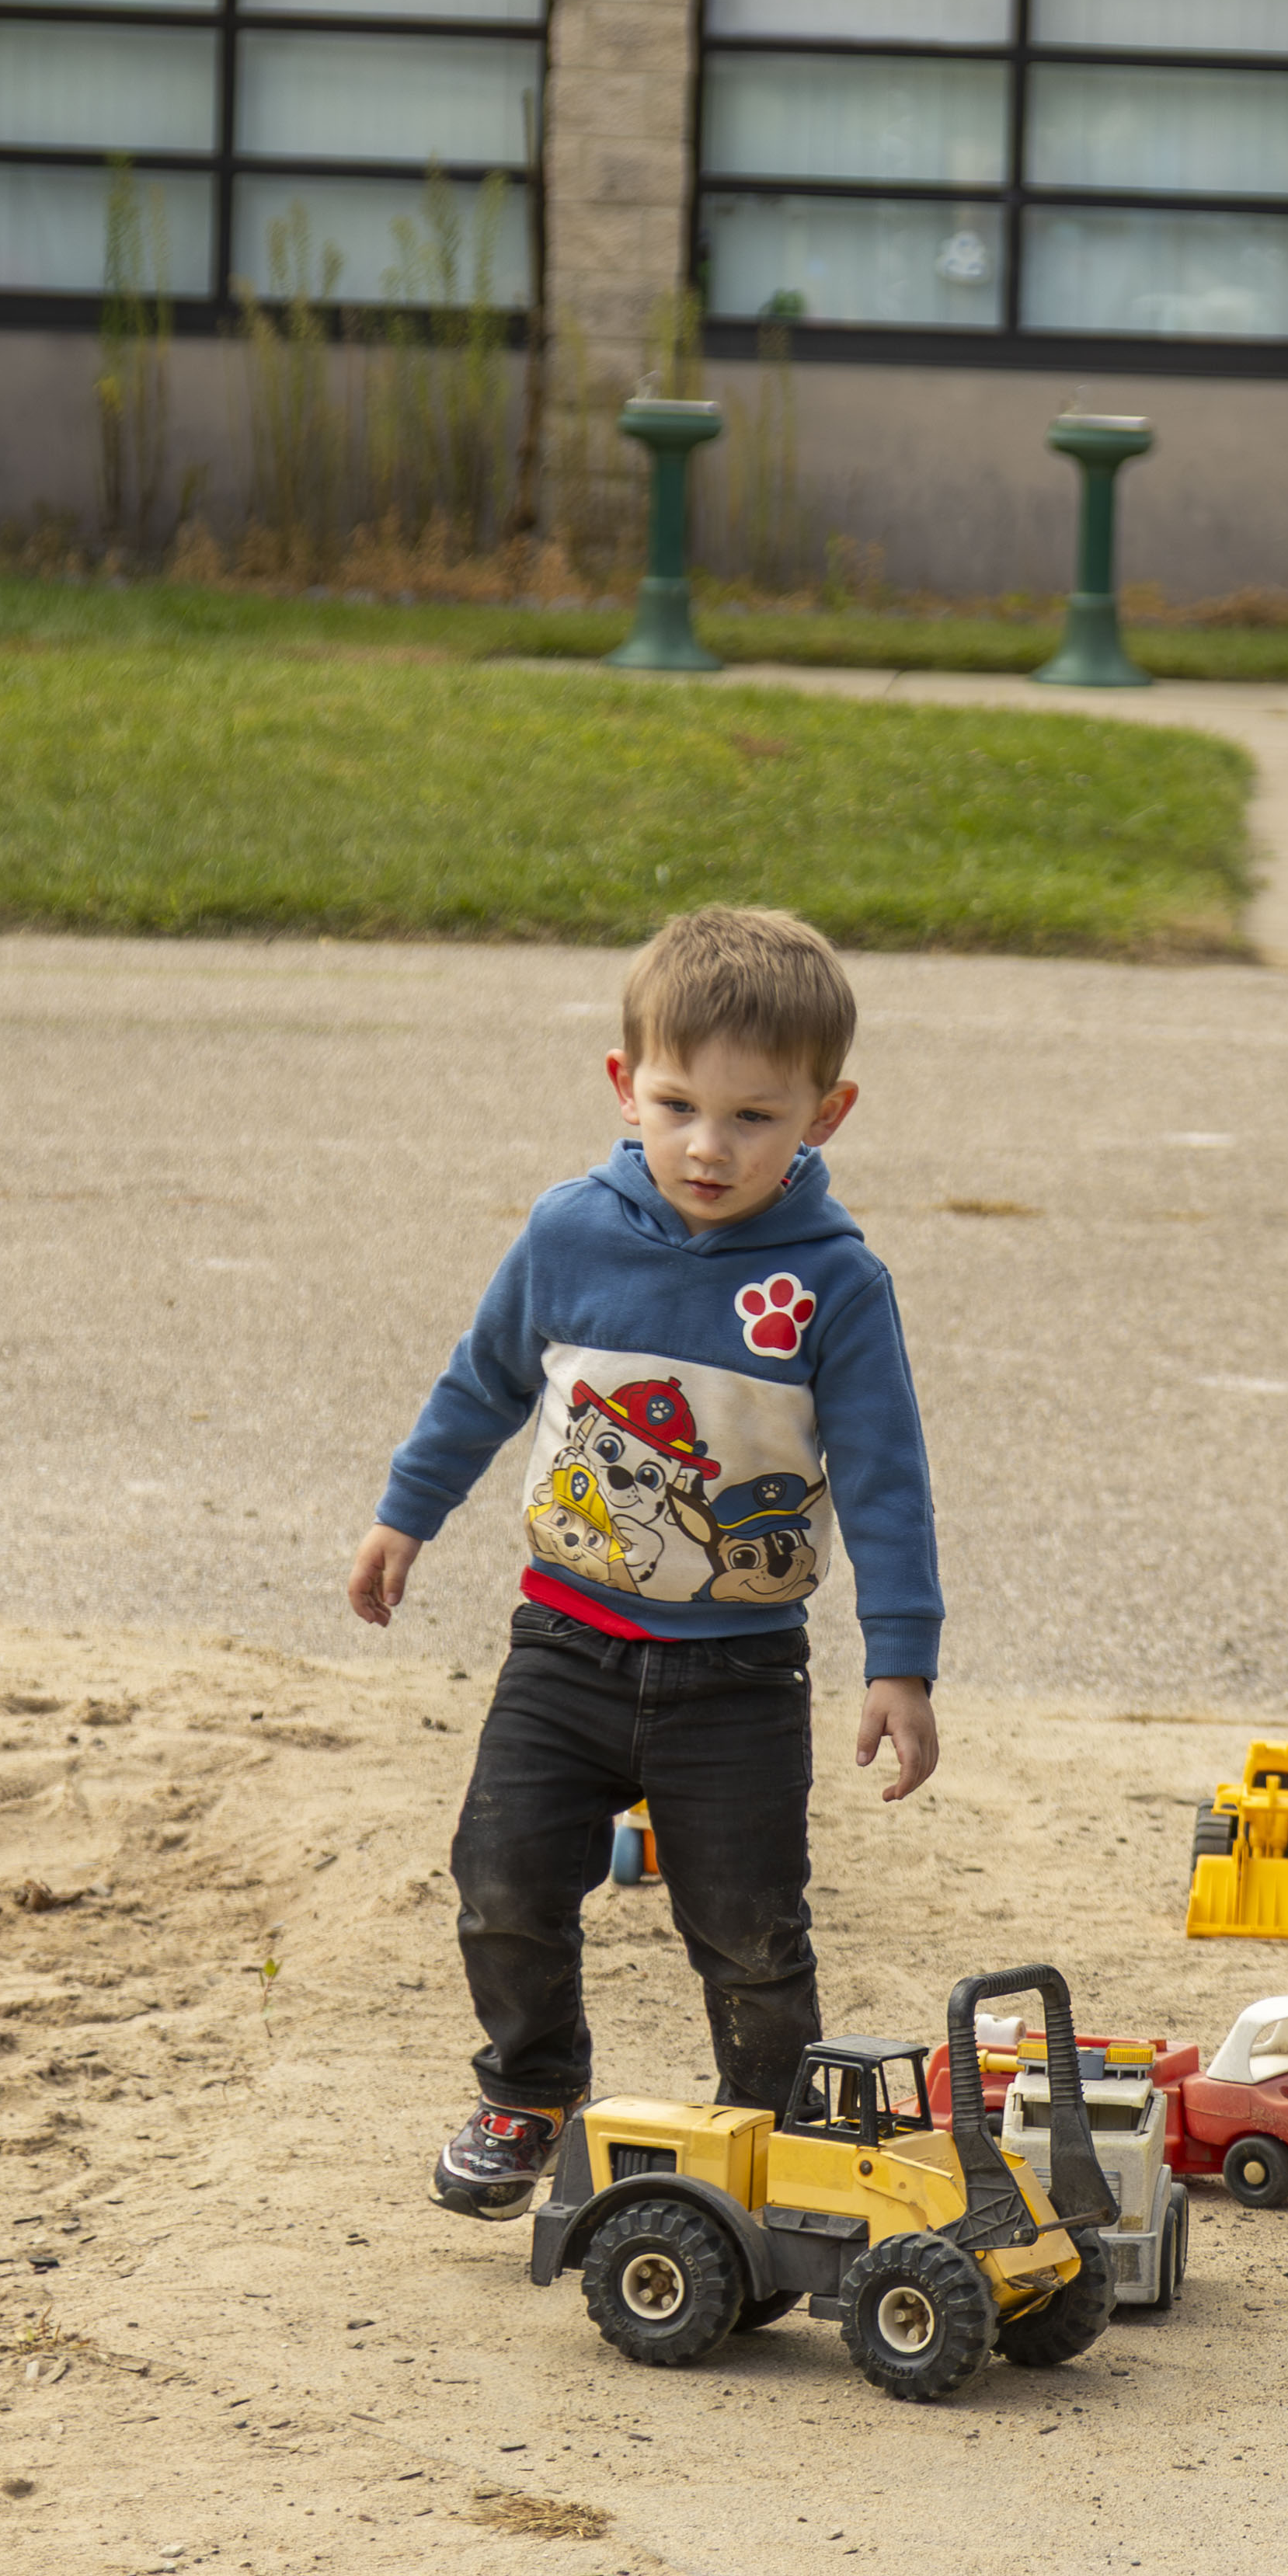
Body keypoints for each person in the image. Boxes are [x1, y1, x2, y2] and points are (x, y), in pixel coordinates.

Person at [350, 906, 945, 2217]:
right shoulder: (571, 1234)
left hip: (736, 1676)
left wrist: (900, 1663)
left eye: (755, 1117)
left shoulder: (834, 1287)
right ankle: (531, 2086)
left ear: (825, 1116)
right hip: (561, 1647)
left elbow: (890, 1483)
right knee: (500, 1882)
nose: (709, 1146)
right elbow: (483, 1382)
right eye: (678, 1105)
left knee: (748, 1933)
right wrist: (409, 1512)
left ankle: (774, 2139)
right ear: (626, 1089)